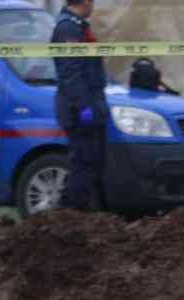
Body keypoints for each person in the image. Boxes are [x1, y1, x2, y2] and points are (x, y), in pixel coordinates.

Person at [51, 0, 108, 211]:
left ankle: (85, 215)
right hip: (79, 109)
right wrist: (85, 109)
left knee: (92, 164)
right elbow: (71, 75)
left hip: (91, 105)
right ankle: (71, 214)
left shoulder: (78, 26)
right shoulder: (68, 28)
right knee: (83, 165)